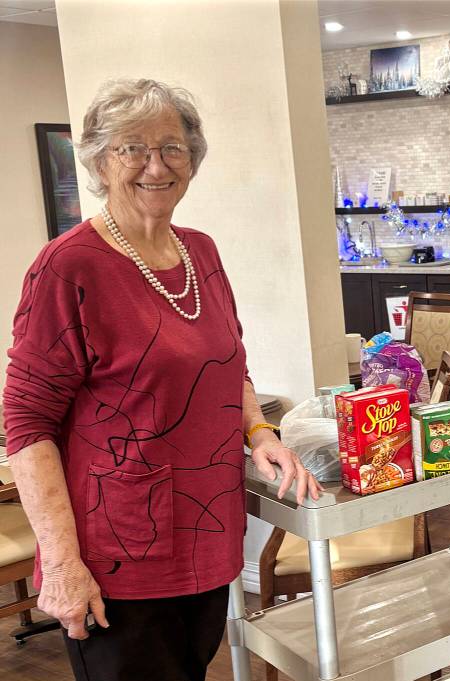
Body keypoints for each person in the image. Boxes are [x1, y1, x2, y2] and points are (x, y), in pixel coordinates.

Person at [3, 78, 321, 681]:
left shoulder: (200, 251)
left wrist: (260, 434)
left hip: (205, 530)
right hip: (115, 555)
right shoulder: (67, 266)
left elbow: (231, 369)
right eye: (132, 148)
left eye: (173, 148)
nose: (156, 165)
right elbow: (26, 424)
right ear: (99, 159)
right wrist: (62, 560)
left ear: (192, 159)